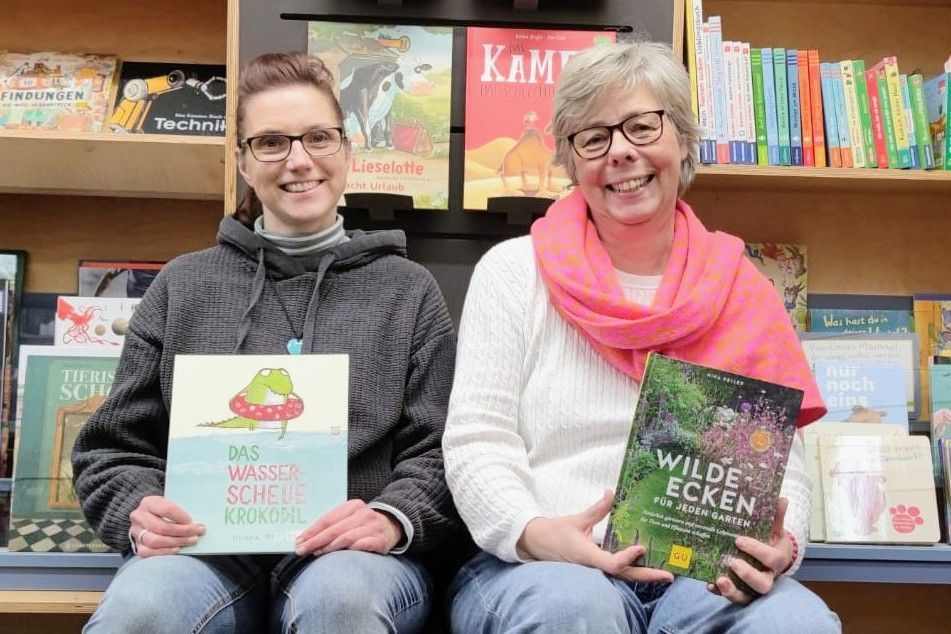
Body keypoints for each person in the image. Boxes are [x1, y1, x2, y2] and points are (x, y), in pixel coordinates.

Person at [442, 41, 842, 633]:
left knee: (796, 624)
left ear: (682, 141)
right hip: (540, 567)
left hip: (701, 575)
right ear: (572, 161)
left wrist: (782, 546)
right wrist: (533, 531)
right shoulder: (512, 273)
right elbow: (478, 440)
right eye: (594, 138)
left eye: (641, 126)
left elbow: (782, 462)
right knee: (575, 611)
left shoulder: (743, 288)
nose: (621, 153)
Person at [72, 51, 465, 633]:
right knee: (142, 610)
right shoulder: (183, 285)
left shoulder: (408, 292)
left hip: (353, 558)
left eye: (318, 138)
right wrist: (140, 508)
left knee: (342, 602)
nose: (299, 160)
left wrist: (391, 517)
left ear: (348, 150)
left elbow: (444, 449)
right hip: (205, 554)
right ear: (243, 163)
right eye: (272, 142)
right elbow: (110, 447)